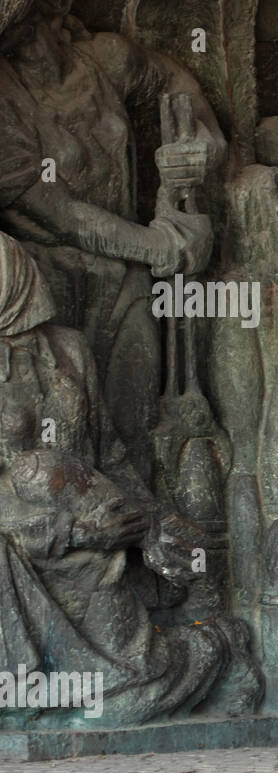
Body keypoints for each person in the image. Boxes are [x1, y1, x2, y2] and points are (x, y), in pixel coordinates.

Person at [0, 229, 255, 728]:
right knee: (103, 707)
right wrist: (68, 533)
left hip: (96, 557)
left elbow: (108, 453)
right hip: (28, 552)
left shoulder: (69, 352)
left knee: (119, 702)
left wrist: (150, 521)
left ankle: (219, 645)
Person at [0, 0, 226, 484]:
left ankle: (149, 538)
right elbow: (57, 212)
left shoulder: (104, 58)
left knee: (135, 420)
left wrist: (198, 145)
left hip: (125, 278)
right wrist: (159, 245)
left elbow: (177, 84)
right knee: (67, 442)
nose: (20, 45)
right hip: (50, 291)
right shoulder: (3, 98)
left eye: (22, 26)